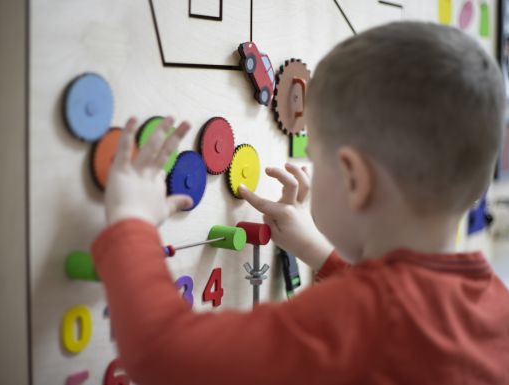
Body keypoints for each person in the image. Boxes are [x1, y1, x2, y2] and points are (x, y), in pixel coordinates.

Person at [92, 22, 509, 384]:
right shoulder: (493, 302)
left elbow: (161, 354)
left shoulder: (355, 322)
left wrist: (131, 221)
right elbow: (408, 314)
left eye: (312, 157)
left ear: (353, 179)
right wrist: (316, 251)